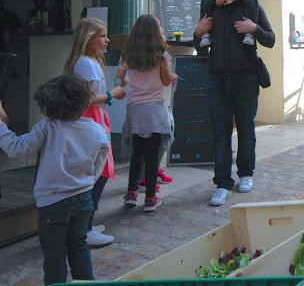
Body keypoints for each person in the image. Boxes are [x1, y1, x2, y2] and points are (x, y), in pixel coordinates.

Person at [0, 75, 110, 285]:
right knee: (79, 247)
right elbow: (99, 164)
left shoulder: (48, 126)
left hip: (53, 204)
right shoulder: (97, 130)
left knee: (55, 256)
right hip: (83, 199)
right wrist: (85, 184)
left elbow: (16, 148)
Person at [193, 0, 275, 206]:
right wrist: (197, 32)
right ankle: (222, 183)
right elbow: (201, 47)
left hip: (246, 78)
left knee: (247, 129)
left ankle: (246, 174)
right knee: (220, 134)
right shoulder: (211, 8)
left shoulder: (250, 6)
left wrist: (254, 29)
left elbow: (270, 39)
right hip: (217, 79)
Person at [64, 18, 125, 247]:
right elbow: (86, 99)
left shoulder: (86, 62)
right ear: (89, 39)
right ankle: (84, 228)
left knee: (98, 172)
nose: (107, 40)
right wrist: (111, 94)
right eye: (102, 36)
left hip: (95, 120)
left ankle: (86, 224)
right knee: (97, 174)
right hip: (91, 121)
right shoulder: (86, 64)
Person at [116, 15, 176, 213]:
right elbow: (166, 82)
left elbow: (120, 79)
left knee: (137, 154)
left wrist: (131, 85)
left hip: (135, 109)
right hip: (154, 110)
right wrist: (171, 75)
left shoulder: (128, 55)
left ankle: (131, 194)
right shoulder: (161, 56)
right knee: (152, 156)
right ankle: (150, 198)